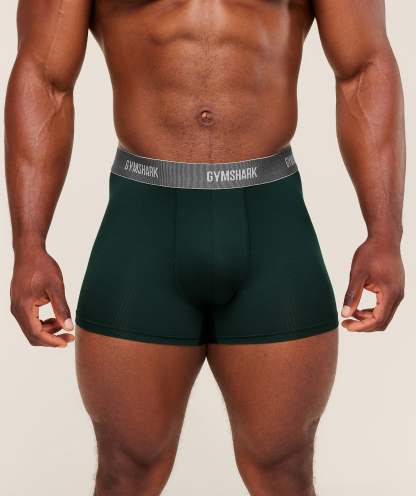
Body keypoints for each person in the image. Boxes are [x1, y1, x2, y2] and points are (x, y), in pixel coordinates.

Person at [5, 1, 405, 495]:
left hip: (271, 221)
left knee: (284, 469)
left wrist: (385, 233)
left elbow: (364, 67)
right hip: (143, 223)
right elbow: (44, 78)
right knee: (126, 469)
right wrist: (29, 244)